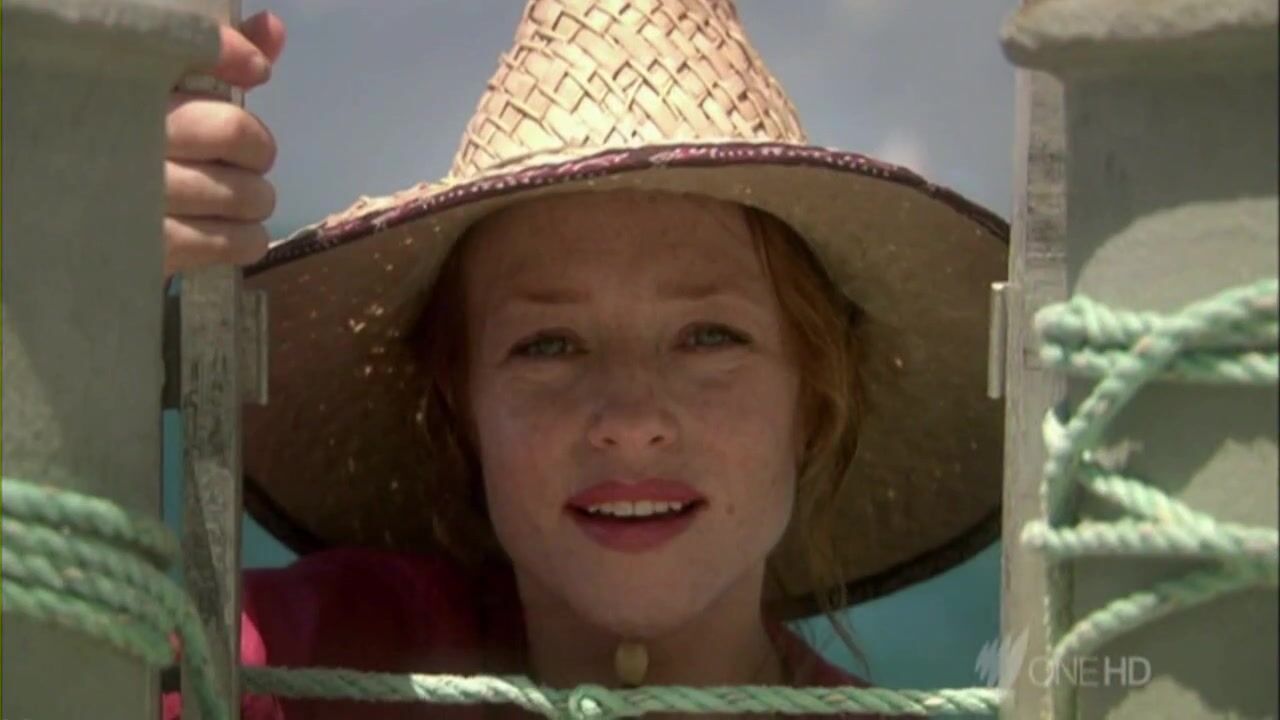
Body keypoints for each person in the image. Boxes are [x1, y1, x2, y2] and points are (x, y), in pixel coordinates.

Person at [161, 2, 1007, 718]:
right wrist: (96, 253)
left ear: (815, 398)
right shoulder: (296, 661)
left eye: (709, 337)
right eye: (549, 345)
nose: (631, 422)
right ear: (461, 406)